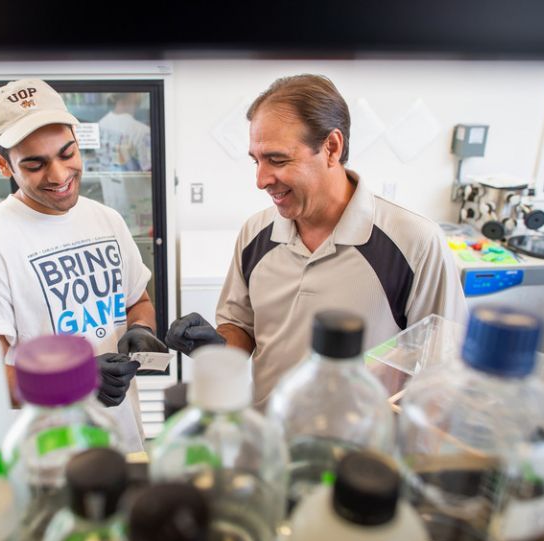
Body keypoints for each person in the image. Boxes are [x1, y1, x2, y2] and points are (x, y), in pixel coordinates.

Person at [165, 74, 468, 409]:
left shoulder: (416, 244)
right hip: (269, 440)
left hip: (357, 450)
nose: (261, 180)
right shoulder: (255, 233)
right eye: (257, 160)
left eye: (277, 159)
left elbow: (442, 373)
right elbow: (242, 327)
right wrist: (217, 347)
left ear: (331, 147)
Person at [0, 79, 167, 452]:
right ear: (2, 163)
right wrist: (77, 380)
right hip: (50, 456)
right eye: (35, 164)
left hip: (122, 436)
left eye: (67, 154)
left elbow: (137, 302)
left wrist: (141, 330)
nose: (60, 175)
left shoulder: (106, 220)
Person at [98, 93, 151, 172]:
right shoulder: (141, 131)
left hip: (106, 183)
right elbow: (149, 172)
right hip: (133, 183)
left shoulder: (101, 123)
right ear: (133, 95)